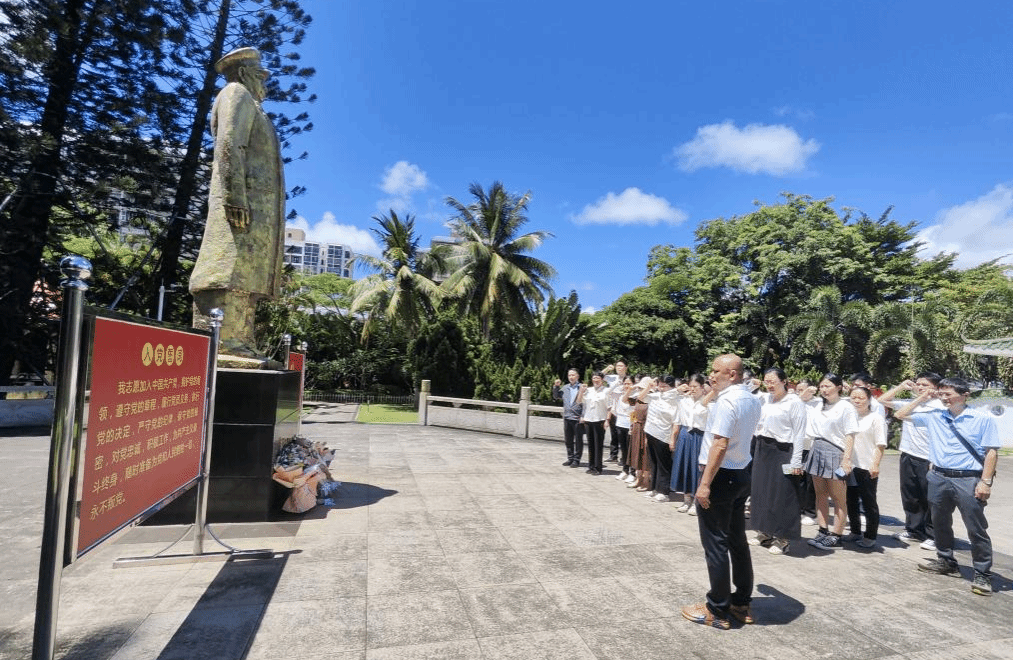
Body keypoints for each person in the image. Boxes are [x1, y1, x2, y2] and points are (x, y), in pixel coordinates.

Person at [190, 47, 286, 358]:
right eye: (260, 74)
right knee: (228, 270)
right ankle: (225, 342)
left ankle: (240, 340)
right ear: (244, 72)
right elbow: (230, 142)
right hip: (240, 205)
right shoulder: (236, 92)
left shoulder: (253, 104)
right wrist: (235, 197)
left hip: (254, 209)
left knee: (246, 274)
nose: (265, 81)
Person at [895, 377, 1000, 596]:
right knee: (939, 522)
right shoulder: (935, 416)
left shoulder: (983, 419)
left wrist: (985, 482)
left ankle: (982, 572)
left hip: (968, 479)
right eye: (941, 394)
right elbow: (900, 414)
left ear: (965, 395)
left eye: (948, 394)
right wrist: (923, 397)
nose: (944, 398)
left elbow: (991, 452)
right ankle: (945, 560)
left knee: (975, 527)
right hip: (938, 477)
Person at [681, 354, 762, 630]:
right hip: (740, 472)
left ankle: (717, 608)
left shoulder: (728, 401)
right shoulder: (751, 398)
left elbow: (720, 444)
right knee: (737, 540)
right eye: (711, 371)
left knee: (715, 542)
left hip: (721, 475)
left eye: (717, 371)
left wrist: (705, 483)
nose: (711, 375)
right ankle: (741, 602)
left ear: (733, 374)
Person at [878, 373, 942, 550]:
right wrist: (900, 387)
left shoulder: (940, 406)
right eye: (918, 384)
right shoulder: (911, 403)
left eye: (925, 385)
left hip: (928, 457)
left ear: (936, 387)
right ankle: (914, 530)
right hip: (908, 453)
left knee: (930, 498)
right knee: (910, 495)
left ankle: (934, 535)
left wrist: (923, 398)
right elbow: (882, 401)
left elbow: (900, 415)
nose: (920, 387)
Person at [747, 367, 806, 556]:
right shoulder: (764, 399)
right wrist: (752, 385)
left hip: (785, 451)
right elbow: (743, 396)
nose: (769, 385)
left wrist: (796, 461)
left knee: (784, 493)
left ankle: (783, 538)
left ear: (784, 381)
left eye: (773, 381)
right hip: (763, 447)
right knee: (761, 491)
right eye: (767, 381)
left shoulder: (794, 402)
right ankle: (764, 532)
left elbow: (799, 433)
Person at [801, 373, 858, 550]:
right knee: (820, 494)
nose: (824, 389)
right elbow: (799, 402)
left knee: (838, 497)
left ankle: (837, 535)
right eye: (822, 386)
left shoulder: (846, 407)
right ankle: (823, 530)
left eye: (828, 386)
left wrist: (846, 459)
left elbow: (850, 435)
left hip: (836, 452)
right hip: (816, 449)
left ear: (839, 387)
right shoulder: (817, 405)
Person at [845, 386, 887, 548]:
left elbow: (880, 444)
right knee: (851, 501)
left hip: (866, 466)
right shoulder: (848, 417)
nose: (857, 401)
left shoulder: (876, 418)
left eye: (861, 398)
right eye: (853, 397)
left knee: (869, 502)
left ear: (869, 400)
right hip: (850, 465)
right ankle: (855, 531)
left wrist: (875, 464)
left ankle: (870, 536)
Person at [641, 375, 679, 503]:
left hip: (664, 434)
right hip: (651, 431)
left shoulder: (675, 399)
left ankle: (664, 492)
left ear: (671, 386)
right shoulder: (655, 396)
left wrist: (673, 439)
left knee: (664, 464)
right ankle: (654, 488)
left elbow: (676, 422)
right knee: (653, 462)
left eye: (664, 386)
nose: (661, 389)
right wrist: (649, 387)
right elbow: (640, 398)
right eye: (660, 386)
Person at [552, 369, 585, 468]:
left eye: (573, 375)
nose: (571, 377)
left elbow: (586, 403)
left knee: (578, 440)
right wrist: (556, 387)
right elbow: (556, 396)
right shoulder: (565, 387)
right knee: (568, 440)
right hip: (567, 417)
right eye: (569, 375)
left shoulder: (582, 387)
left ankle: (577, 459)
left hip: (577, 418)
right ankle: (570, 458)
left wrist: (583, 416)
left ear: (577, 376)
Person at [581, 371, 610, 474]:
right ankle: (591, 466)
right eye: (594, 378)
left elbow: (609, 407)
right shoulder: (588, 390)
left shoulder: (606, 391)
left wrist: (607, 420)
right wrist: (581, 391)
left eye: (598, 378)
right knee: (590, 444)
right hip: (589, 419)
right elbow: (582, 403)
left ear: (602, 380)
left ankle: (598, 467)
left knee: (598, 444)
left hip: (600, 419)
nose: (596, 380)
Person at [605, 361, 629, 463]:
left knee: (624, 436)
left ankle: (625, 457)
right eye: (617, 366)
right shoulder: (612, 377)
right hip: (613, 409)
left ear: (626, 367)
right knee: (614, 434)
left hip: (624, 411)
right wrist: (607, 369)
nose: (619, 367)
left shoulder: (628, 379)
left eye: (621, 366)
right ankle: (613, 455)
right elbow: (599, 376)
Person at [613, 375, 636, 481]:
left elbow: (627, 403)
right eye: (625, 383)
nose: (627, 386)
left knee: (631, 449)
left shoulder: (635, 395)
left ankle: (633, 472)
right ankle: (625, 470)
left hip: (630, 425)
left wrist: (630, 390)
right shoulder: (620, 393)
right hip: (620, 424)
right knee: (624, 449)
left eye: (629, 383)